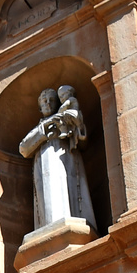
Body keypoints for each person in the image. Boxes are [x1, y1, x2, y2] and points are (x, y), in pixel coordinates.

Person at [19, 84, 99, 233]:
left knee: (71, 191)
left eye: (51, 100)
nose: (48, 103)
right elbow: (23, 148)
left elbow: (83, 142)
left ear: (58, 104)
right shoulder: (39, 128)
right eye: (44, 101)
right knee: (50, 190)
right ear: (40, 108)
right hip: (45, 160)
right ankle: (51, 226)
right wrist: (46, 128)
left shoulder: (64, 120)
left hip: (68, 159)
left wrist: (77, 124)